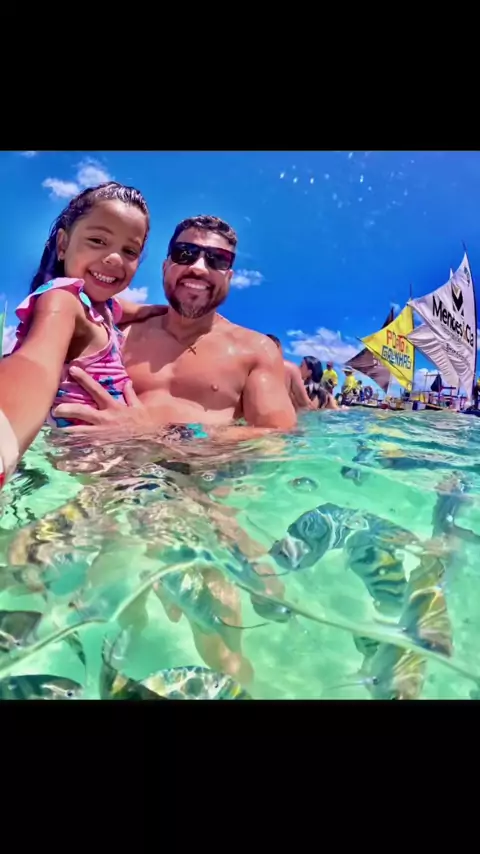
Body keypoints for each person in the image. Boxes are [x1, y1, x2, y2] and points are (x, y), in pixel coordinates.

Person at [48, 214, 297, 439]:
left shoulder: (255, 350)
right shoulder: (120, 334)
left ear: (229, 277)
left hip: (197, 474)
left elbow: (276, 437)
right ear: (165, 267)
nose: (198, 268)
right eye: (185, 253)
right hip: (104, 471)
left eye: (217, 260)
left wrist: (159, 435)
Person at [266, 334, 313, 410]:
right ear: (279, 349)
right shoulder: (290, 368)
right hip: (279, 414)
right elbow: (305, 403)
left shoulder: (248, 367)